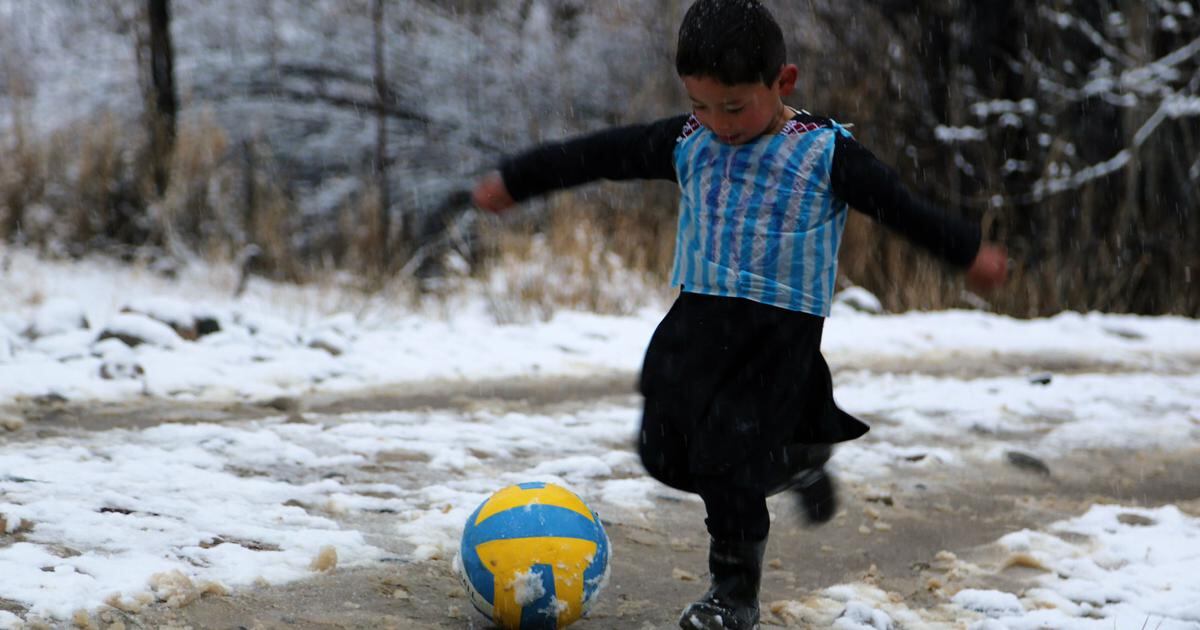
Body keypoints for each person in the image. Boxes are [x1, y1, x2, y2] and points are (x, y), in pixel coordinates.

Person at [472, 0, 1008, 627]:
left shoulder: (822, 152)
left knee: (725, 457)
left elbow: (901, 206)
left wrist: (966, 252)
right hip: (698, 319)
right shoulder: (687, 141)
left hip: (777, 336)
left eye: (734, 107)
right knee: (662, 451)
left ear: (783, 82)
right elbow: (598, 154)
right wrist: (518, 178)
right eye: (700, 105)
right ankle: (798, 454)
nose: (717, 124)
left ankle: (734, 592)